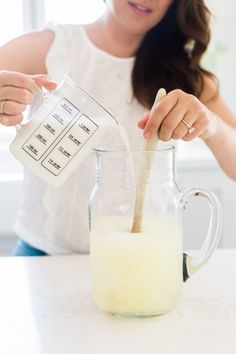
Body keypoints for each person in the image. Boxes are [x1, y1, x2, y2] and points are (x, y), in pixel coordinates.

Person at [0, 0, 235, 256]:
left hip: (141, 257)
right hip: (42, 256)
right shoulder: (49, 47)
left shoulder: (184, 74)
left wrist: (212, 124)